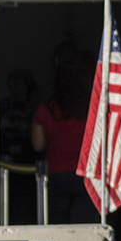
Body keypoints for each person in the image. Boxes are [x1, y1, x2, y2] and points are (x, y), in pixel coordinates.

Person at [31, 43, 99, 224]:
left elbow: (38, 144)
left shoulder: (46, 108)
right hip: (86, 173)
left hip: (57, 174)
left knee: (59, 230)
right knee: (84, 229)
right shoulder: (91, 108)